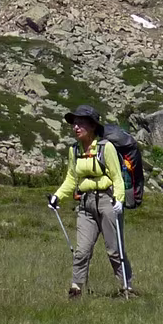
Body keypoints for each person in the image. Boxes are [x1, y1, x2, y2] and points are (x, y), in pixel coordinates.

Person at [48, 104, 130, 299]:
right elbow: (71, 179)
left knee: (114, 250)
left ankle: (126, 287)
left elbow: (117, 178)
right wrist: (57, 196)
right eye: (74, 124)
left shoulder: (105, 147)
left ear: (92, 126)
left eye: (81, 123)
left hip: (107, 201)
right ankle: (76, 289)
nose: (76, 127)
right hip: (85, 204)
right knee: (82, 251)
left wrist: (119, 200)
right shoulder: (74, 150)